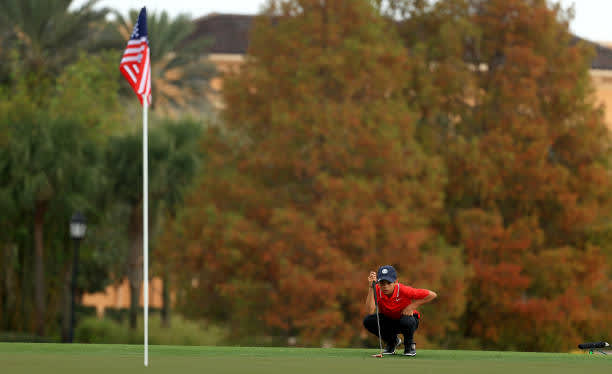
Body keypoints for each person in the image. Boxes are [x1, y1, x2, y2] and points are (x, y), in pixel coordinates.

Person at [363, 265, 437, 356]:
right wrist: (371, 288)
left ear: (395, 282)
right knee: (368, 321)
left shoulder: (403, 290)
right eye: (382, 283)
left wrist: (411, 307)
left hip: (408, 321)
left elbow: (432, 294)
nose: (385, 286)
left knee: (407, 320)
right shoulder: (377, 289)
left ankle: (409, 346)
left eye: (389, 283)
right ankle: (392, 342)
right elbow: (369, 311)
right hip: (390, 321)